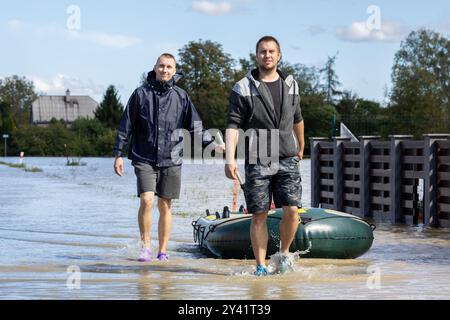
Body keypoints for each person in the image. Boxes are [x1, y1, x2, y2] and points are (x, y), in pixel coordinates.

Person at [113, 53, 224, 262]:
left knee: (165, 205)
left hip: (171, 158)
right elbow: (125, 124)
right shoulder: (140, 94)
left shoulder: (181, 96)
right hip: (143, 156)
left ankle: (162, 251)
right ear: (155, 68)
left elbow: (195, 126)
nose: (165, 70)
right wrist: (118, 153)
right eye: (161, 66)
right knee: (146, 200)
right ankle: (145, 246)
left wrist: (212, 144)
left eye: (169, 67)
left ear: (175, 71)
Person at [225, 36, 305, 276]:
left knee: (291, 211)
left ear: (279, 55)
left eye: (271, 51)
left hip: (287, 157)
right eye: (262, 51)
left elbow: (298, 118)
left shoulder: (291, 84)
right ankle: (260, 265)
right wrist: (230, 158)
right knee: (259, 214)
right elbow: (232, 125)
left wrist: (301, 145)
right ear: (256, 55)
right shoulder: (243, 87)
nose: (267, 55)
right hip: (258, 158)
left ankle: (283, 255)